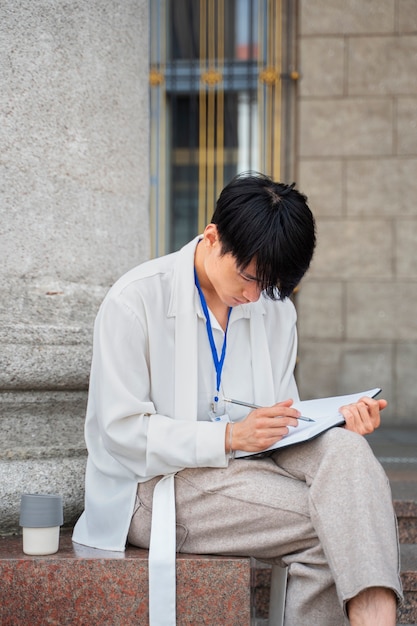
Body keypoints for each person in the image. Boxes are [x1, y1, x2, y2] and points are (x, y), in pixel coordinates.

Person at [73, 173, 402, 625]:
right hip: (152, 486)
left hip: (247, 469)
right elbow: (122, 434)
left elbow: (279, 418)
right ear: (212, 237)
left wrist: (333, 423)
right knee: (338, 522)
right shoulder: (134, 302)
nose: (252, 297)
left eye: (267, 286)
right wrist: (228, 437)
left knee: (348, 451)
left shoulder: (274, 307)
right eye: (247, 277)